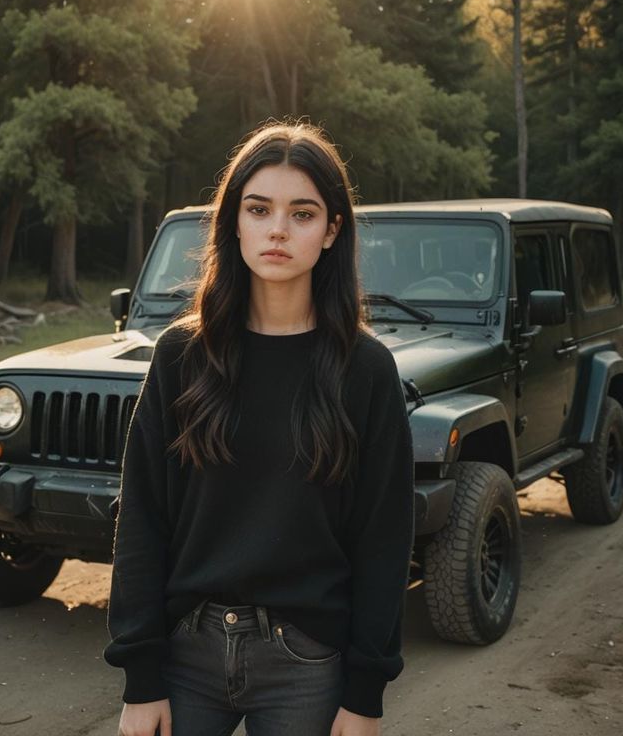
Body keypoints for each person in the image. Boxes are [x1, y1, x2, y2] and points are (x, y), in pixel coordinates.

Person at [105, 122, 414, 736]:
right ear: (234, 222)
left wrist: (365, 694)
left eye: (302, 214)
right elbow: (142, 515)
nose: (278, 229)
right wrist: (140, 677)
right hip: (185, 655)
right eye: (258, 209)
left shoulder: (366, 369)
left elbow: (383, 538)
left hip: (307, 662)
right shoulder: (181, 355)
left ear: (331, 231)